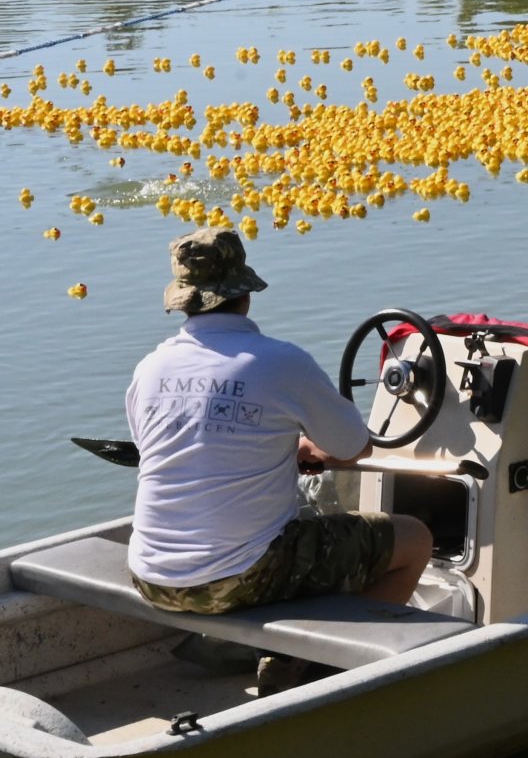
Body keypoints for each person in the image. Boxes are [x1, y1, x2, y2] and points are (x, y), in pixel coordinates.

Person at [126, 228, 433, 689]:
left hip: (151, 576)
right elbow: (355, 447)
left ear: (184, 301)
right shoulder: (280, 362)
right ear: (245, 293)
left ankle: (282, 652)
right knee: (413, 538)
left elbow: (177, 447)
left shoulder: (150, 367)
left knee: (295, 535)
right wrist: (310, 448)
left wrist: (284, 449)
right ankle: (321, 672)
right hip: (242, 576)